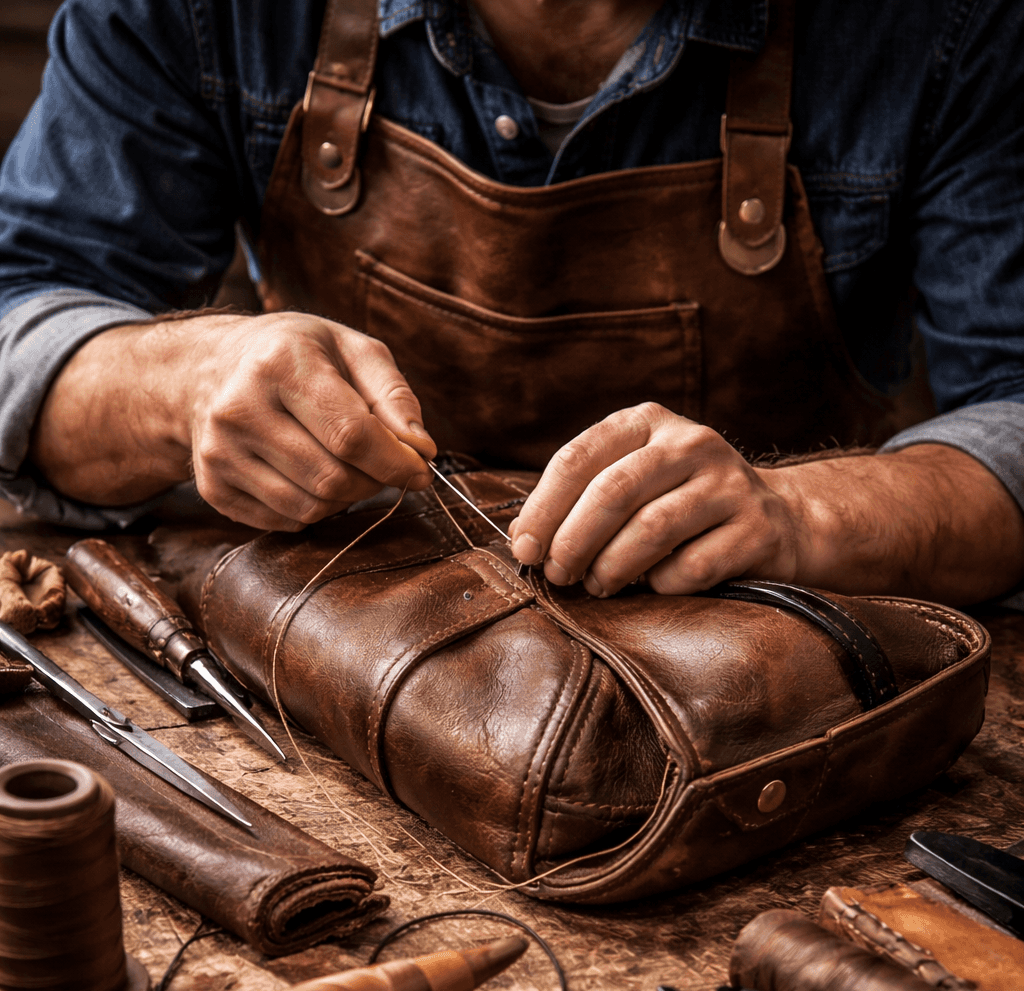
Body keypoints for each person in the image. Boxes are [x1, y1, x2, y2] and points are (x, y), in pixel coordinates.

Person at [0, 0, 1022, 605]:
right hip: (337, 613)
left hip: (755, 657)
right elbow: (21, 315)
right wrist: (180, 384)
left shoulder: (953, 28)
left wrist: (803, 517)